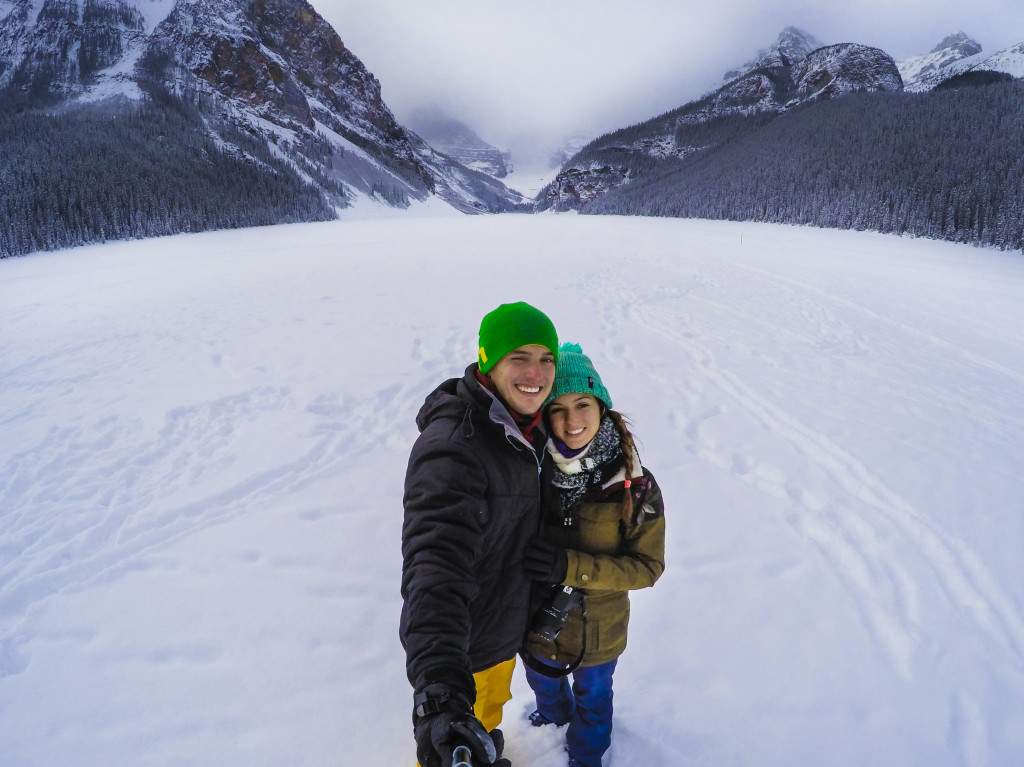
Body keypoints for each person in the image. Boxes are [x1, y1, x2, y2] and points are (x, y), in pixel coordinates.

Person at [401, 301, 560, 767]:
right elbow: (434, 566)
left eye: (546, 359)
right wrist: (440, 693)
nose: (536, 372)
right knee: (451, 745)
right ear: (488, 361)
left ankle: (486, 731)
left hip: (501, 632)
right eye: (520, 357)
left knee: (487, 717)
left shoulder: (529, 429)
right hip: (464, 648)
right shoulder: (455, 447)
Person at [520, 342, 665, 767]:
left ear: (602, 407)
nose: (571, 420)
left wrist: (570, 567)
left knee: (595, 700)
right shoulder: (530, 469)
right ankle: (553, 714)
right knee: (542, 684)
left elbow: (648, 567)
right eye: (557, 408)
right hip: (537, 624)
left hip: (599, 634)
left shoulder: (635, 484)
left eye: (582, 403)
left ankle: (586, 756)